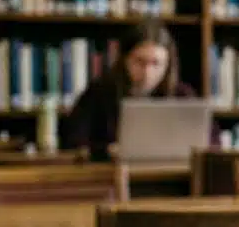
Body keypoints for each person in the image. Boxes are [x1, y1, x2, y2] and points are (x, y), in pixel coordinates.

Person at [61, 20, 197, 158]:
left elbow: (209, 141)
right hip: (112, 174)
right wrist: (106, 150)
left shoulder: (183, 95)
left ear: (168, 65)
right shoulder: (99, 92)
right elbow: (73, 143)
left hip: (173, 174)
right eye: (140, 62)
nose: (147, 73)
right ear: (125, 60)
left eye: (156, 64)